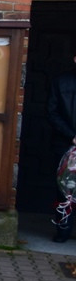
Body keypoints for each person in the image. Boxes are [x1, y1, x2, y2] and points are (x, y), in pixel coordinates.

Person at [47, 55, 76, 242]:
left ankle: (62, 232)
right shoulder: (61, 82)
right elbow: (52, 111)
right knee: (64, 188)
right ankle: (63, 231)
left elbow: (52, 112)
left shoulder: (61, 81)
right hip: (65, 143)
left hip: (64, 142)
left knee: (64, 189)